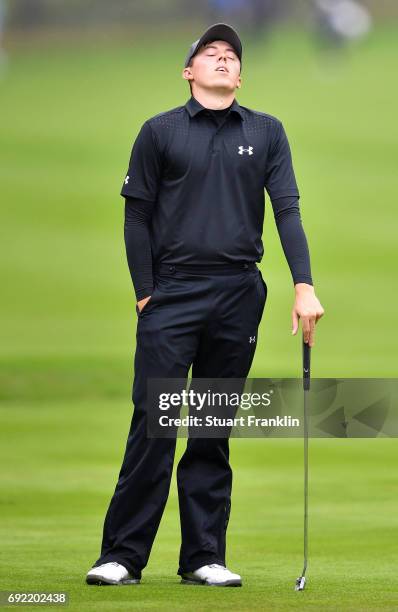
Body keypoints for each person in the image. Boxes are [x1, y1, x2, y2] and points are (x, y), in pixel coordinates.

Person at [85, 22, 324, 588]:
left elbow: (286, 210)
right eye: (209, 54)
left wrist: (304, 285)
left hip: (238, 292)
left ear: (241, 74)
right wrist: (146, 291)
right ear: (189, 71)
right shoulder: (160, 131)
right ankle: (122, 555)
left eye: (230, 56)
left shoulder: (266, 132)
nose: (222, 60)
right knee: (155, 421)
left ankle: (203, 557)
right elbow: (136, 216)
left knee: (212, 425)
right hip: (172, 293)